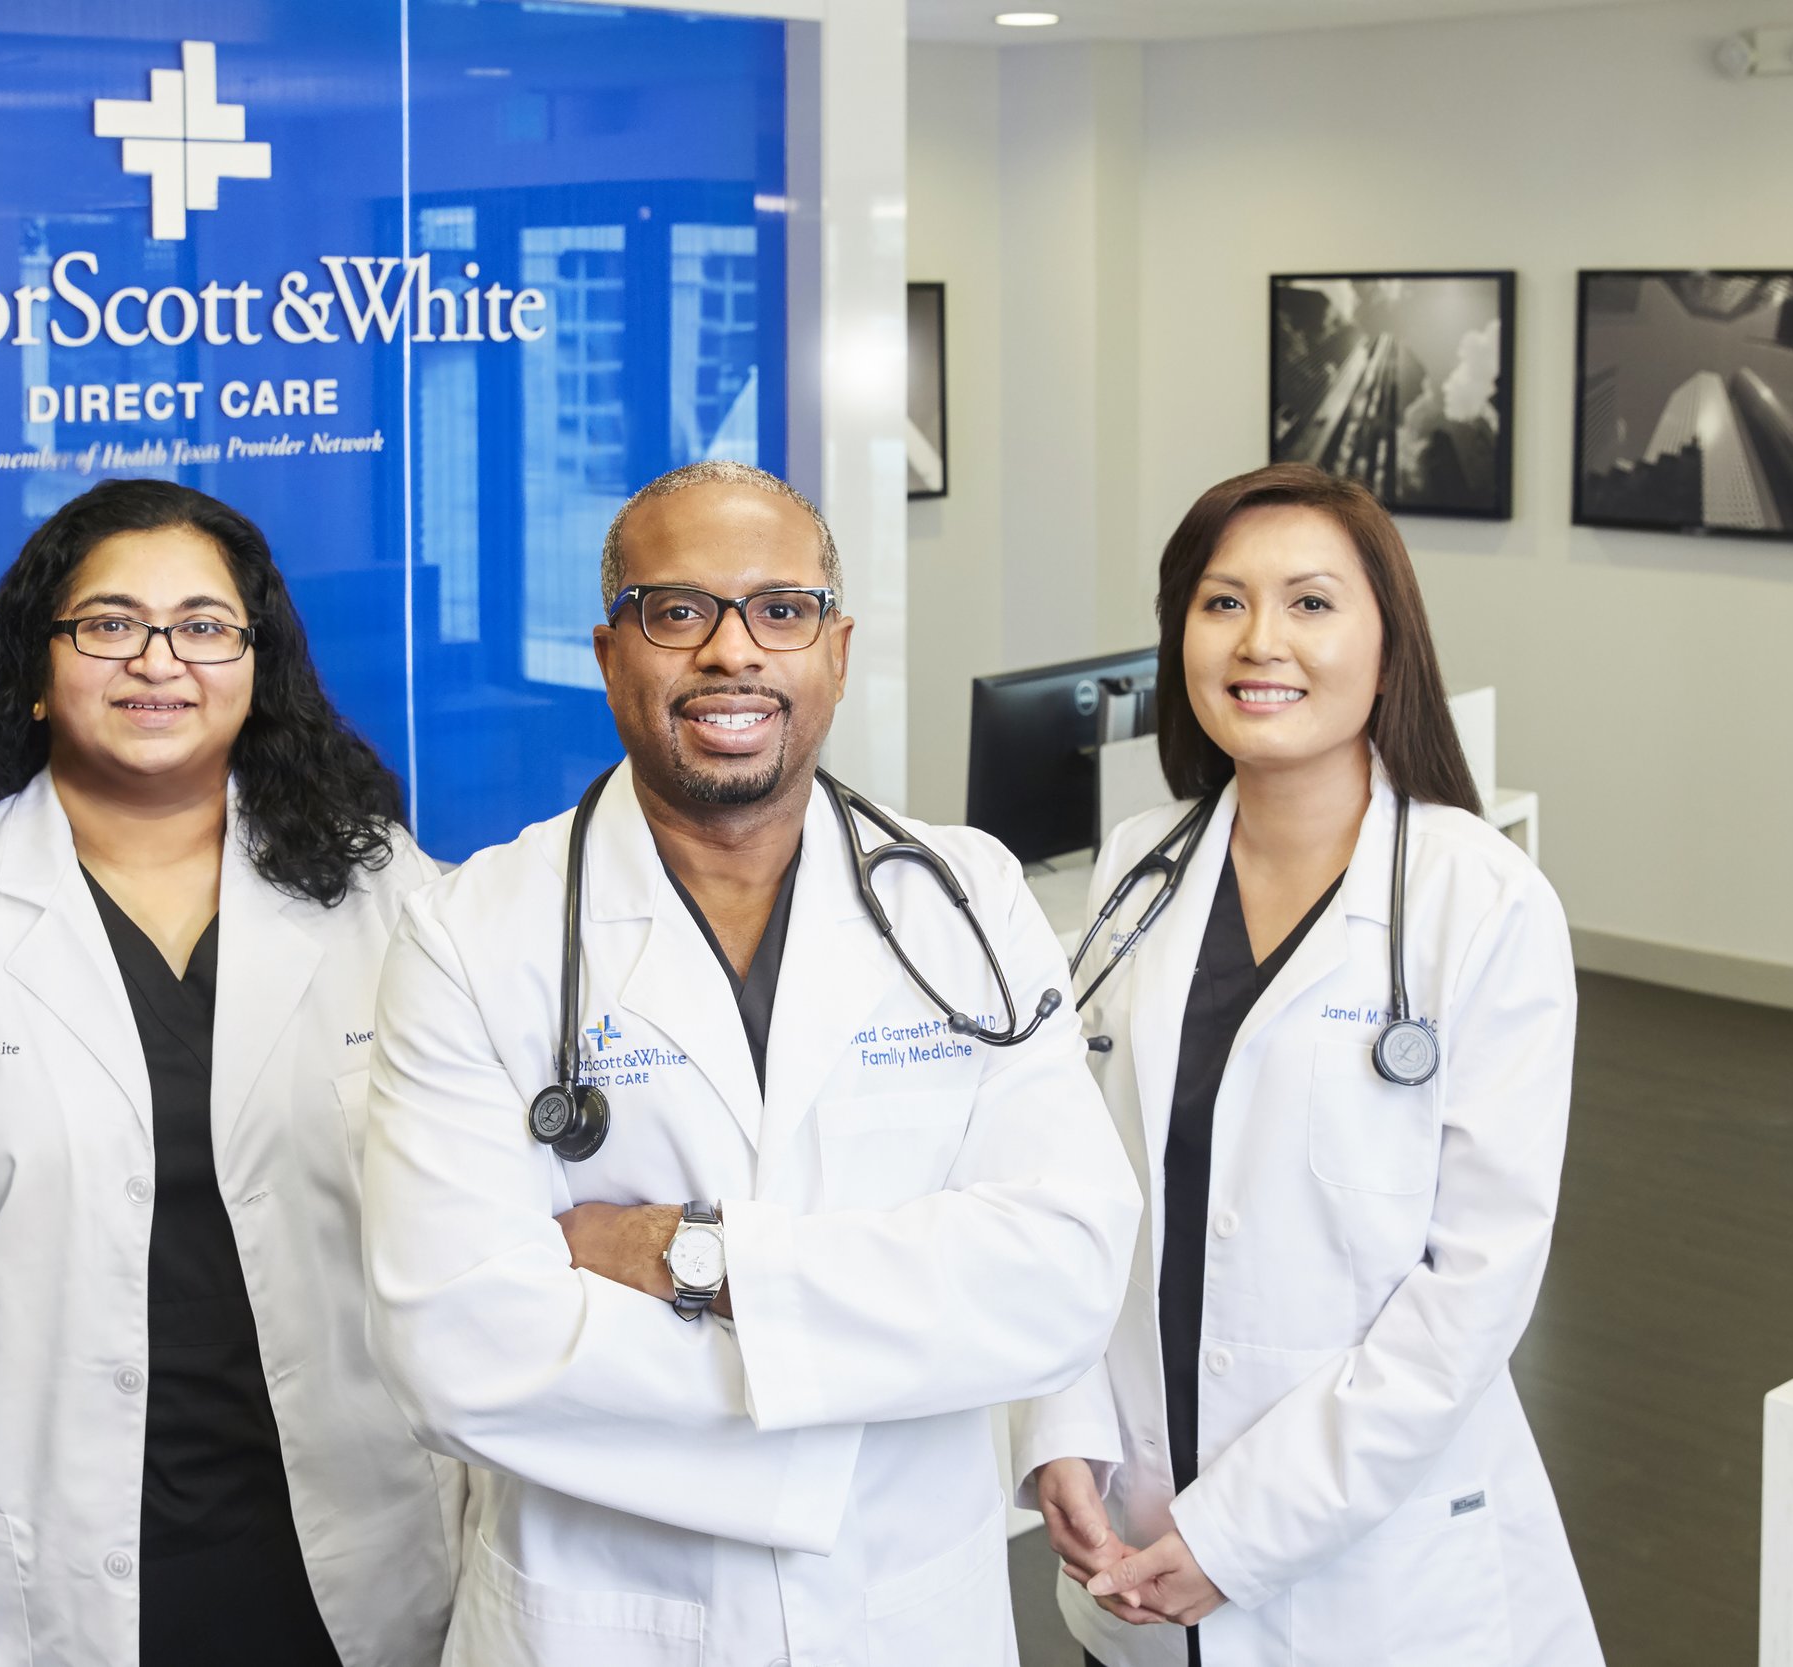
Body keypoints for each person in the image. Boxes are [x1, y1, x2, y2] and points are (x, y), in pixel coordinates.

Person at [358, 458, 1142, 1667]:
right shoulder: (471, 933)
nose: (734, 652)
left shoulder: (964, 897)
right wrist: (882, 1370)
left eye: (780, 610)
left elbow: (1064, 1273)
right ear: (610, 652)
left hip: (905, 1609)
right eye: (679, 611)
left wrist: (688, 1253)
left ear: (834, 649)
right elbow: (455, 1351)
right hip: (599, 1619)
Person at [0, 479, 461, 1667]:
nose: (158, 660)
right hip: (45, 1577)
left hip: (355, 1561)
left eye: (205, 626)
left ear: (257, 663)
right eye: (109, 623)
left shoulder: (390, 895)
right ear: (39, 662)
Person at [1013, 463, 1601, 1666]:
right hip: (1130, 1548)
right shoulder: (1136, 869)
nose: (1258, 640)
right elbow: (1066, 1187)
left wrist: (1243, 1529)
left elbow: (1471, 1290)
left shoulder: (1478, 902)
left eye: (1311, 603)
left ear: (1390, 646)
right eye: (1220, 602)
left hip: (1374, 1583)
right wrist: (1054, 1423)